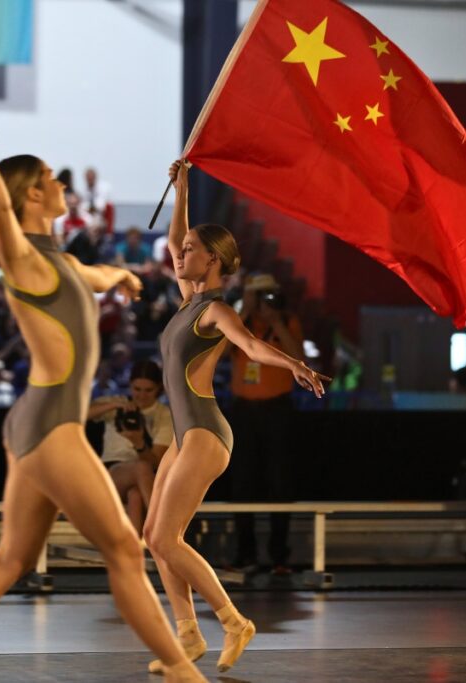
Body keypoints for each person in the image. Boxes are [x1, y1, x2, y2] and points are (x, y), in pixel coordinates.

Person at [0, 86, 205, 683]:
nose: (63, 184)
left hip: (36, 423)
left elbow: (94, 273)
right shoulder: (23, 258)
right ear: (33, 192)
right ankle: (180, 669)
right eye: (52, 178)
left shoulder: (58, 262)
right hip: (52, 427)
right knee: (122, 549)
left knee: (12, 557)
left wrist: (120, 277)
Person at [143, 160, 326, 676]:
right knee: (153, 536)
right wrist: (182, 189)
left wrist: (294, 364)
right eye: (181, 251)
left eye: (190, 251)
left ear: (214, 260)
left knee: (164, 538)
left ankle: (233, 620)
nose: (180, 253)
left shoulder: (215, 311)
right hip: (185, 434)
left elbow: (249, 344)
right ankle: (186, 636)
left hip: (204, 432)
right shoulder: (187, 301)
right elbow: (178, 232)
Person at [227, 273, 304, 575]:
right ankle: (245, 553)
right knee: (242, 481)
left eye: (269, 295)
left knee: (279, 480)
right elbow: (219, 352)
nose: (265, 302)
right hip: (244, 410)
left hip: (277, 409)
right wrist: (243, 312)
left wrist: (276, 323)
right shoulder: (238, 322)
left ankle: (279, 557)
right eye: (260, 295)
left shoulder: (286, 322)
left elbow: (298, 358)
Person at [89, 360, 173, 536]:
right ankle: (163, 532)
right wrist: (114, 406)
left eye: (148, 390)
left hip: (146, 475)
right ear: (129, 386)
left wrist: (139, 443)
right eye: (136, 389)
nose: (141, 395)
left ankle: (136, 554)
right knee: (141, 469)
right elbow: (79, 415)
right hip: (112, 473)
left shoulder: (163, 415)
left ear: (158, 388)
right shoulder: (116, 403)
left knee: (135, 495)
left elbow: (156, 461)